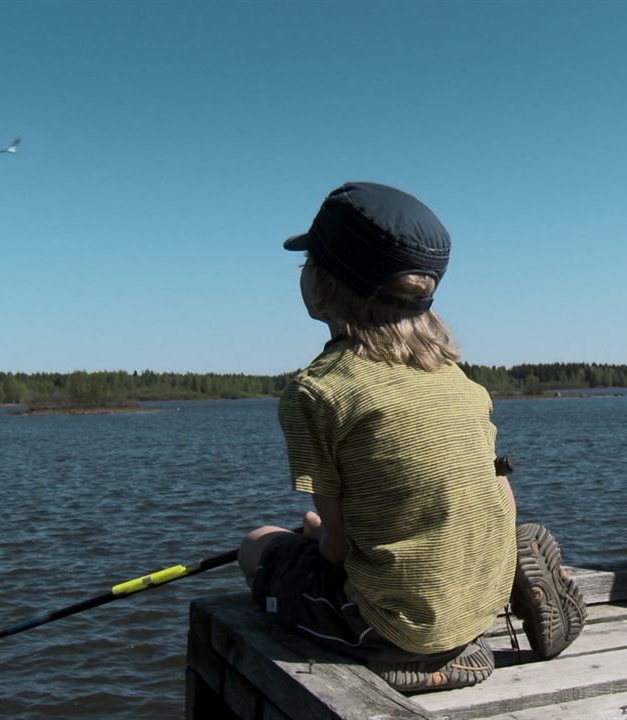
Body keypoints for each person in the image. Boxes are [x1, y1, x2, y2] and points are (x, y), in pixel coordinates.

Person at [237, 182, 585, 693]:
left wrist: (314, 532)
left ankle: (421, 653)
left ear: (323, 281)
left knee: (257, 546)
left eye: (308, 261)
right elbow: (502, 497)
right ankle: (505, 568)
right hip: (481, 576)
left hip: (395, 618)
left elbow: (337, 552)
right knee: (466, 534)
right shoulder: (457, 379)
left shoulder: (318, 391)